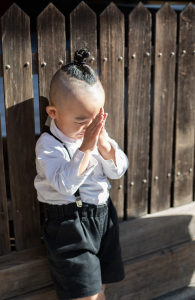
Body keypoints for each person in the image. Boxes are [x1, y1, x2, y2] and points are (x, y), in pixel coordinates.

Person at [34, 48, 129, 300]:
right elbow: (64, 185)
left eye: (96, 118)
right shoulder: (49, 145)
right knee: (83, 294)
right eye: (80, 121)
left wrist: (106, 146)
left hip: (103, 218)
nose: (90, 128)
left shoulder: (98, 136)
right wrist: (86, 147)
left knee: (99, 288)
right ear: (53, 113)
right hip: (70, 226)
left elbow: (118, 170)